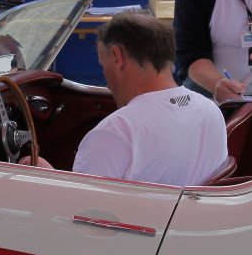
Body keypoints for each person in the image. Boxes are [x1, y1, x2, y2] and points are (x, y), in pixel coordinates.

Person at [25, 11, 228, 186]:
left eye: (103, 65)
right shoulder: (210, 111)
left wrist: (47, 177)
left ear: (117, 57)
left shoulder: (114, 132)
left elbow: (81, 211)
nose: (106, 79)